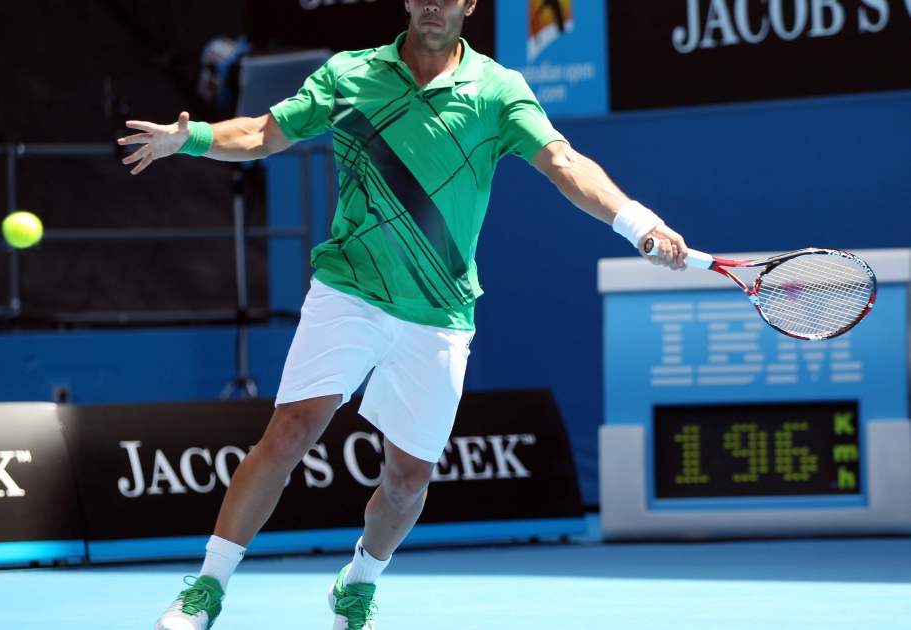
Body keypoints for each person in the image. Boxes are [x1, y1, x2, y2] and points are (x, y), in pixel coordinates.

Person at [119, 1, 688, 628]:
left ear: (469, 4)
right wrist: (190, 137)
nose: (433, 7)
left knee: (407, 481)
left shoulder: (499, 91)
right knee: (290, 432)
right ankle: (207, 588)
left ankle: (359, 581)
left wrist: (640, 223)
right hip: (350, 291)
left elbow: (564, 163)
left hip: (439, 310)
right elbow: (262, 133)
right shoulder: (349, 75)